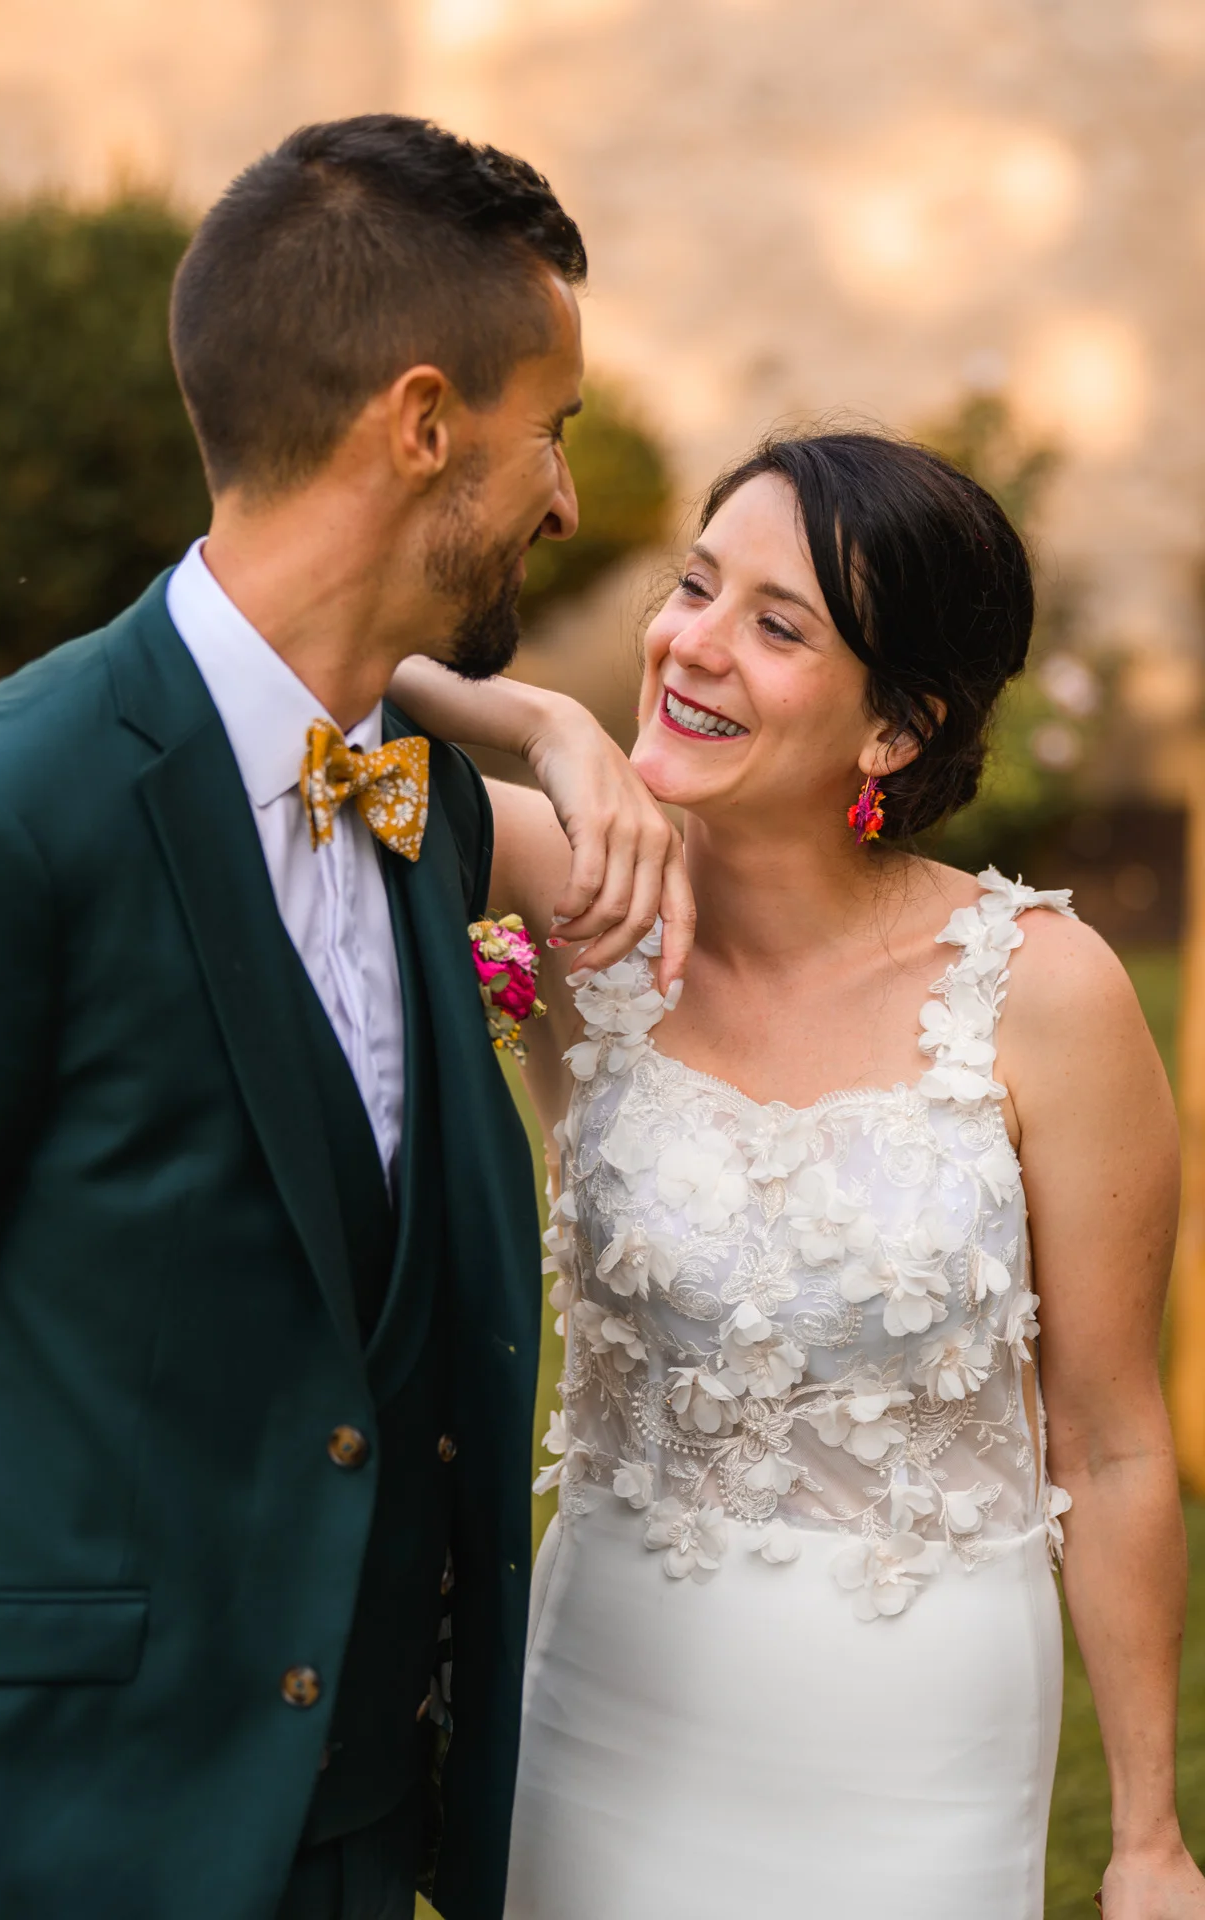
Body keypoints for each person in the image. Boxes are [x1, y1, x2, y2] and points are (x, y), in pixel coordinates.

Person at [0, 116, 693, 1920]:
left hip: (352, 1839)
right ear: (425, 425)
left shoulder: (415, 789)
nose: (568, 504)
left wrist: (549, 729)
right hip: (54, 1830)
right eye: (553, 432)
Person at [394, 431, 1205, 1919]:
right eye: (693, 586)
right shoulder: (571, 899)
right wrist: (548, 729)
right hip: (603, 1712)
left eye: (777, 627)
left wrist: (1148, 1836)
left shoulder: (1046, 993)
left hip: (925, 1748)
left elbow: (1114, 1444)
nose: (691, 646)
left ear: (894, 730)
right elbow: (308, 715)